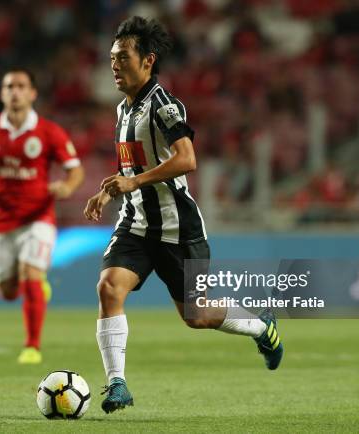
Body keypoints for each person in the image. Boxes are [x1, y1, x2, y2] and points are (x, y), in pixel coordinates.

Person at [84, 16, 283, 414]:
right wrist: (109, 191)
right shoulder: (124, 110)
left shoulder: (163, 105)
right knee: (108, 289)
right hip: (136, 224)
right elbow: (135, 168)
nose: (114, 65)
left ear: (147, 60)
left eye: (123, 57)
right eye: (111, 58)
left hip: (178, 229)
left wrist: (135, 182)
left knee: (197, 315)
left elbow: (186, 159)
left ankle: (262, 327)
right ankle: (117, 384)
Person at [0, 68, 84, 364]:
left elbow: (75, 170)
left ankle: (32, 346)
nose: (15, 91)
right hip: (1, 219)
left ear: (32, 93)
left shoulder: (49, 131)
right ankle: (36, 287)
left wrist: (66, 187)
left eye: (21, 86)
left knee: (31, 275)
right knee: (6, 291)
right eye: (9, 87)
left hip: (38, 217)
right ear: (2, 94)